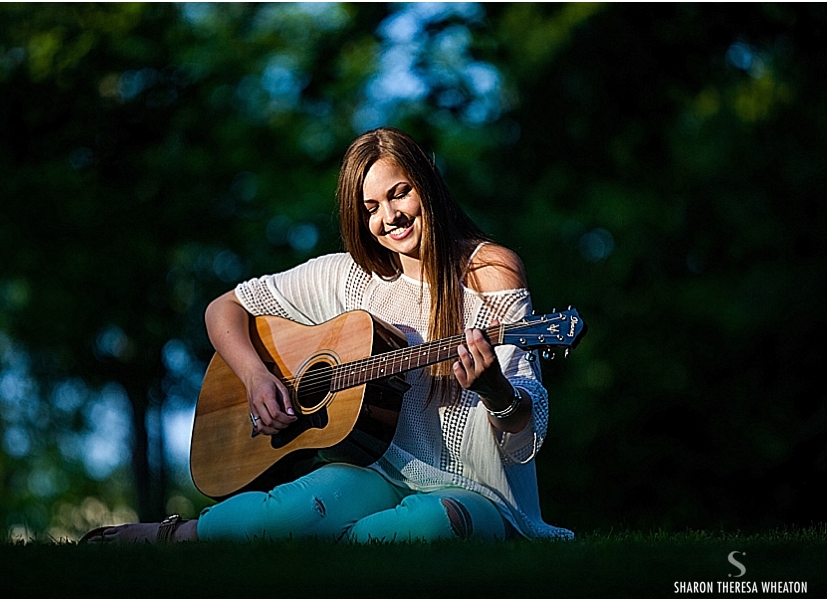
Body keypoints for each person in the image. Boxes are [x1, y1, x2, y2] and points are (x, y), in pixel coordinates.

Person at [80, 126, 573, 544]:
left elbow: (521, 434)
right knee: (282, 511)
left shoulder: (489, 269)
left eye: (399, 192)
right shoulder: (347, 277)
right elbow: (223, 309)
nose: (389, 217)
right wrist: (255, 378)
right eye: (371, 206)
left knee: (433, 524)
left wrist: (497, 394)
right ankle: (170, 536)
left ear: (427, 182)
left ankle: (318, 547)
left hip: (479, 492)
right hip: (380, 473)